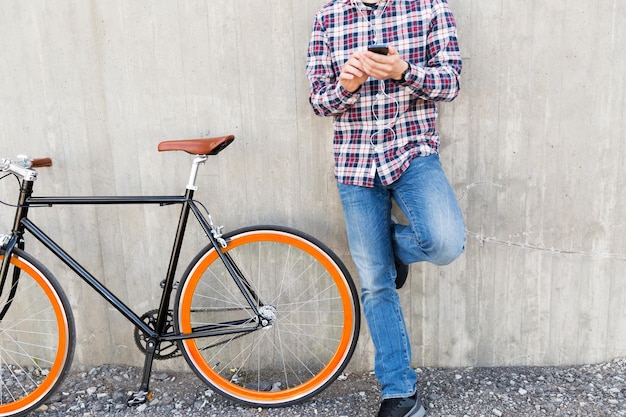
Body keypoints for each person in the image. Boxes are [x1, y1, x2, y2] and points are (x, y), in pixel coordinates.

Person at [306, 0, 465, 416]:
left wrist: (403, 72)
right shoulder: (329, 16)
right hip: (354, 161)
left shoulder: (431, 7)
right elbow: (319, 102)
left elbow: (450, 83)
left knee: (445, 242)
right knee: (376, 282)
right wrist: (347, 85)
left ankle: (388, 249)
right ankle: (399, 392)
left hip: (412, 152)